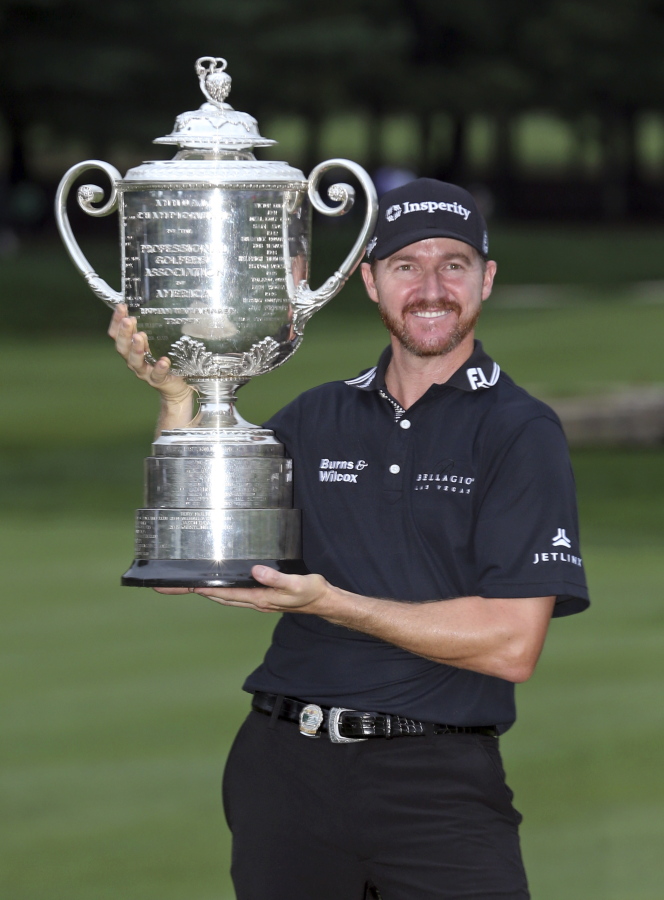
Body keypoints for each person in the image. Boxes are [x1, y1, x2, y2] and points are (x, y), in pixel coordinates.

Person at [110, 178, 589, 900]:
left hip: (436, 783)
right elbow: (190, 561)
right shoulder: (318, 415)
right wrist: (182, 399)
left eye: (453, 264)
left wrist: (332, 603)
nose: (431, 287)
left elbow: (512, 644)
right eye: (405, 266)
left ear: (486, 279)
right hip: (285, 772)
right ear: (369, 282)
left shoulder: (519, 432)